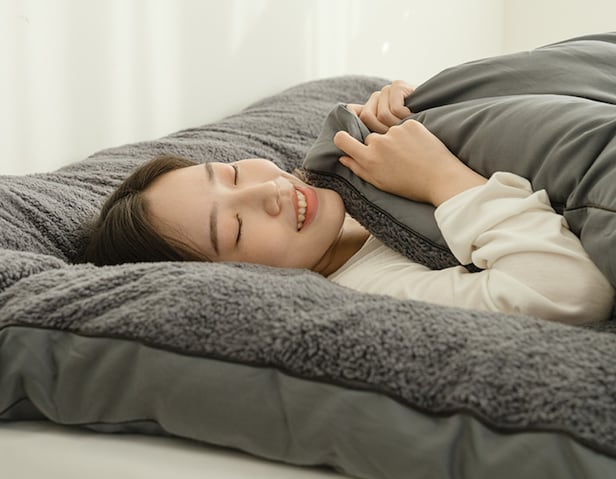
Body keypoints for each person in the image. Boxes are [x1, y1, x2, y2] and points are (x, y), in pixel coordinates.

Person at [82, 81, 614, 325]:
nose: (266, 191)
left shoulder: (345, 170)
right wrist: (442, 176)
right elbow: (567, 291)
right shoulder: (371, 287)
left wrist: (422, 108)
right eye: (236, 229)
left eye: (233, 173)